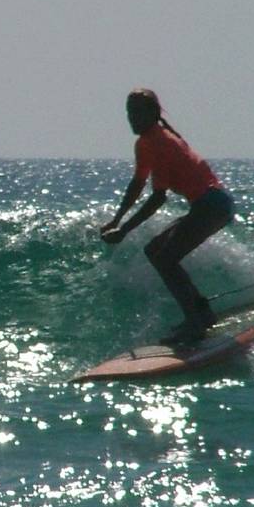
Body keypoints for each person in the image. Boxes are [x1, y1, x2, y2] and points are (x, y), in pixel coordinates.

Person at [100, 89, 234, 343]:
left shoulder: (160, 142)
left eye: (138, 112)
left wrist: (124, 230)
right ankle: (202, 314)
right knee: (154, 250)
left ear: (153, 113)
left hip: (213, 204)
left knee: (165, 258)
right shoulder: (145, 143)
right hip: (208, 205)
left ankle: (195, 323)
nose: (132, 118)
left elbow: (158, 198)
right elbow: (137, 184)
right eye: (129, 112)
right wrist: (116, 220)